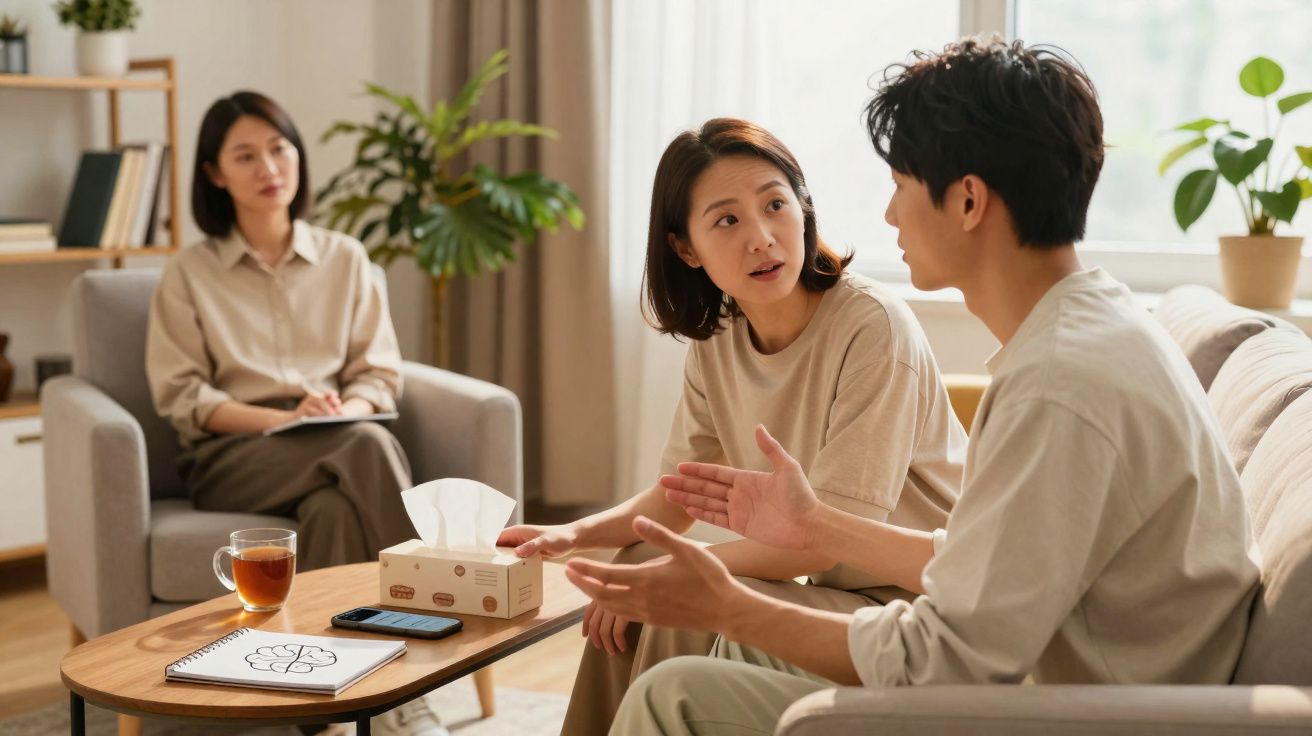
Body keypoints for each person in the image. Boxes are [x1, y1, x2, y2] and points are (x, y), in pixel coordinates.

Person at [564, 37, 1261, 735]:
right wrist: (814, 524)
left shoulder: (1059, 386)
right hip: (1060, 679)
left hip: (1093, 714)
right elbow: (983, 569)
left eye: (901, 185)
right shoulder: (1079, 337)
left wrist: (728, 605)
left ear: (968, 201)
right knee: (689, 653)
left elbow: (948, 657)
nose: (890, 214)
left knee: (676, 694)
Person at [497, 117, 965, 734]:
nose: (762, 238)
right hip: (837, 592)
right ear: (685, 249)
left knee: (671, 594)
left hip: (914, 604)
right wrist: (573, 534)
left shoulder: (873, 326)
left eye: (775, 205)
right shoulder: (718, 340)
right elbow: (677, 496)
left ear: (803, 209)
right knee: (642, 558)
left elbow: (826, 538)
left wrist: (672, 574)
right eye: (727, 221)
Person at [145, 91, 446, 736]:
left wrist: (341, 408)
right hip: (231, 456)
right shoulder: (189, 273)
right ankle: (423, 659)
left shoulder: (345, 258)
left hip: (334, 438)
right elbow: (182, 396)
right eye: (245, 156)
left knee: (334, 507)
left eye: (279, 148)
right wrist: (280, 421)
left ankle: (327, 705)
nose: (268, 167)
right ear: (214, 173)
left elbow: (377, 375)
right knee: (364, 445)